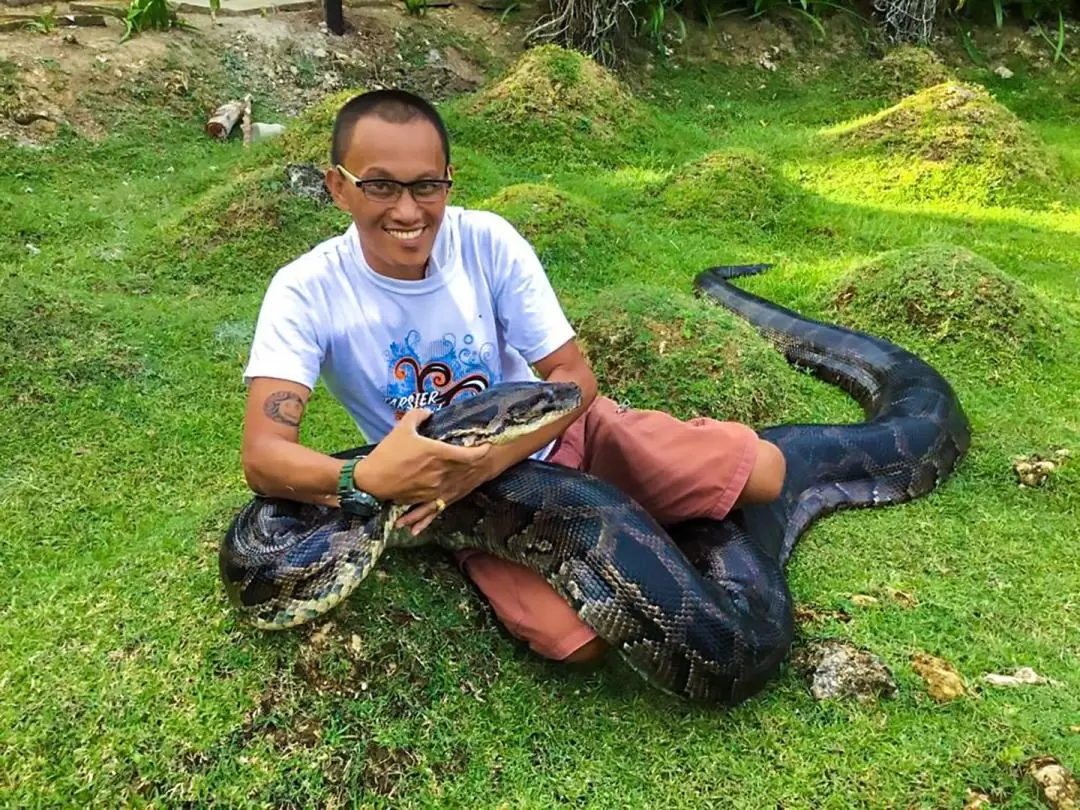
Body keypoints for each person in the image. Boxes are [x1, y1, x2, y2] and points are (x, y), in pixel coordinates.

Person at [241, 89, 786, 666]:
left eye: (427, 185)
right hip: (444, 496)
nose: (407, 211)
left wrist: (485, 463)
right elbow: (263, 457)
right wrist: (368, 477)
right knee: (577, 642)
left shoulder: (487, 243)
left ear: (449, 180)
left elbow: (572, 380)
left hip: (556, 434)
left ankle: (632, 501)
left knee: (769, 473)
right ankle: (635, 516)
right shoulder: (305, 291)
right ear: (338, 187)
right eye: (380, 185)